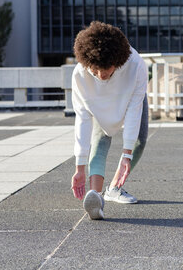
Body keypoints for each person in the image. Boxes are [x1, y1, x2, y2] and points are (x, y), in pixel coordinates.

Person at [70, 21, 149, 220]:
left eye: (106, 69)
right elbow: (82, 119)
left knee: (140, 140)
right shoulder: (80, 74)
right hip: (98, 100)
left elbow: (133, 111)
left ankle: (114, 188)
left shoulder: (136, 64)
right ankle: (96, 197)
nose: (100, 75)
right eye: (95, 70)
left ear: (118, 61)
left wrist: (127, 153)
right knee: (100, 139)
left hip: (129, 95)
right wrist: (79, 167)